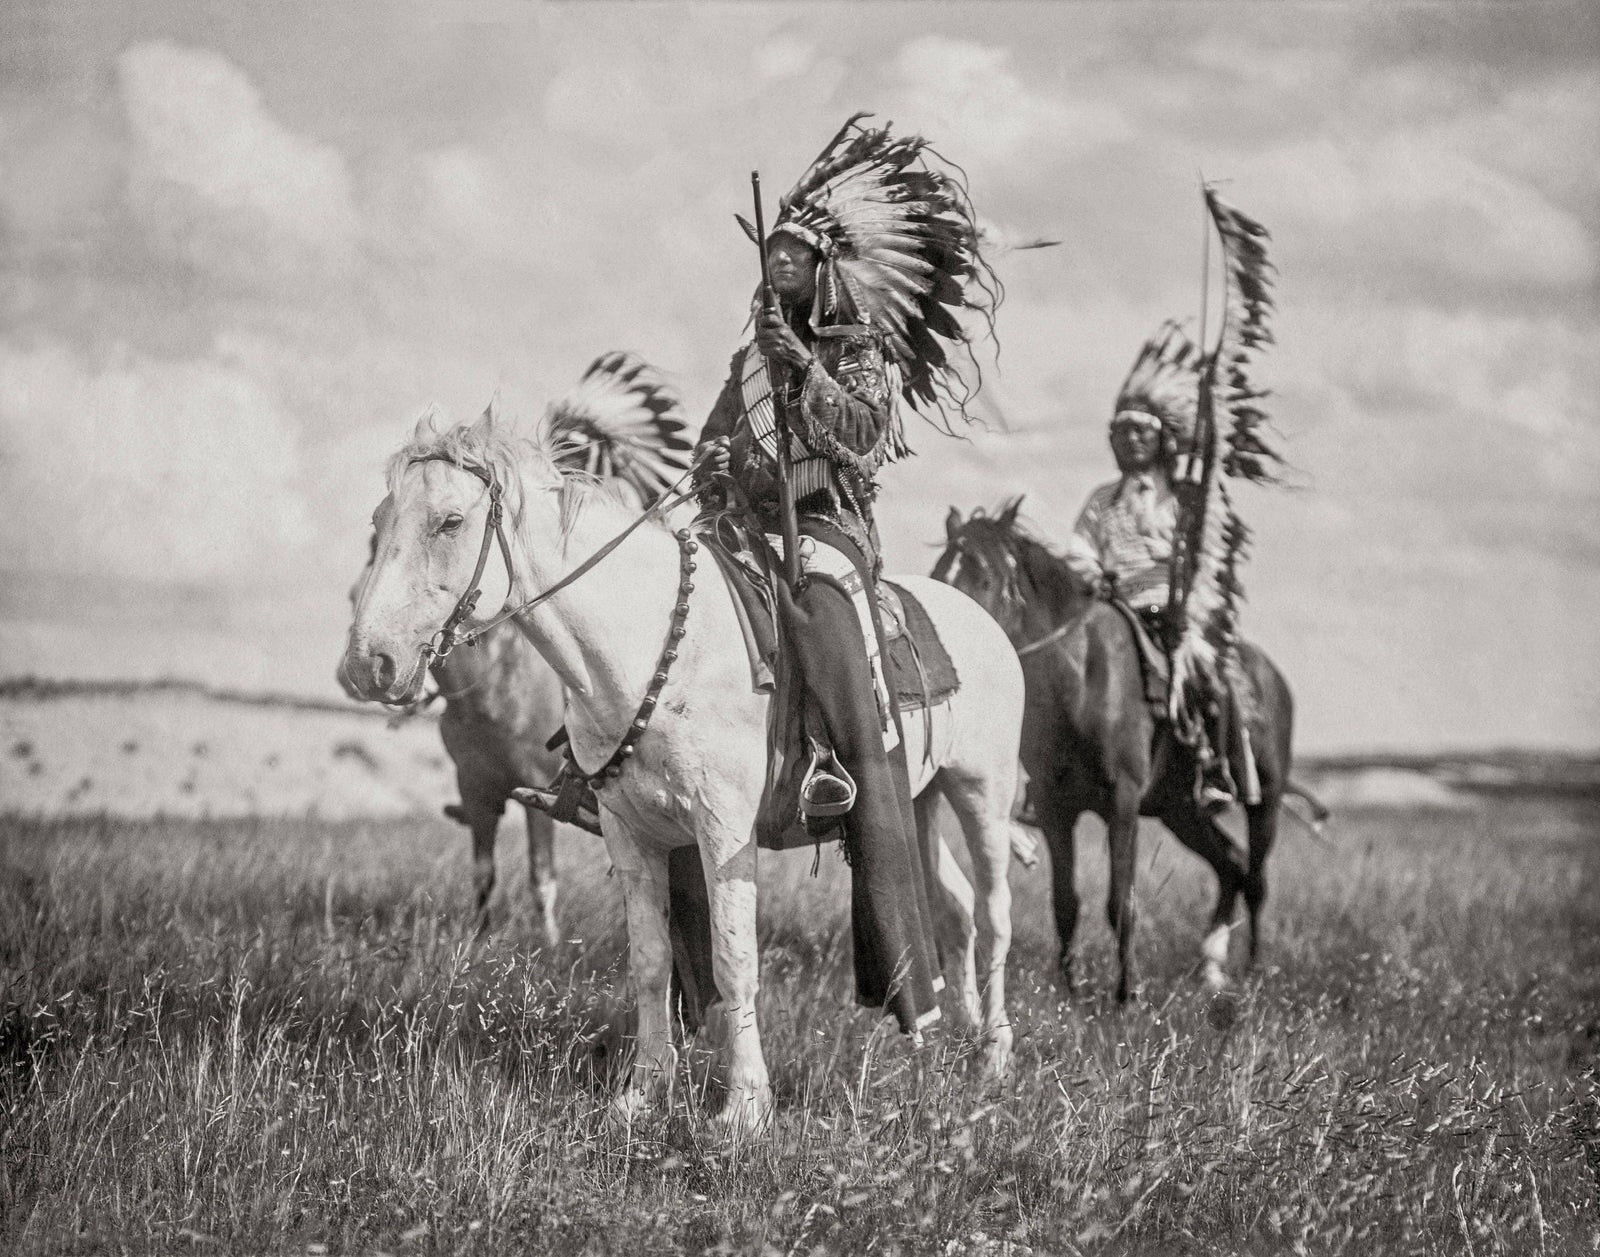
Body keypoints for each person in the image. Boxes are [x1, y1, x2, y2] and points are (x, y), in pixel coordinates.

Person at [692, 113, 1001, 1036]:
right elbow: (714, 442)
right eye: (771, 254)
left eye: (792, 255)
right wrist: (712, 482)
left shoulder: (852, 348)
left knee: (823, 614)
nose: (777, 265)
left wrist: (807, 377)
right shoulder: (749, 358)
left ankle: (843, 764)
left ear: (822, 268)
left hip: (829, 527)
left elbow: (865, 439)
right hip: (746, 528)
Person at [1063, 322, 1237, 811]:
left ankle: (1213, 767)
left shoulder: (1184, 499)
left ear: (1160, 440)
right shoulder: (1101, 500)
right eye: (1121, 431)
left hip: (1173, 610)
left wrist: (1183, 578)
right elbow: (1079, 547)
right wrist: (1092, 574)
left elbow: (1207, 555)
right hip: (1114, 608)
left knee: (1204, 676)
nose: (1130, 440)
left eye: (1141, 431)